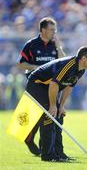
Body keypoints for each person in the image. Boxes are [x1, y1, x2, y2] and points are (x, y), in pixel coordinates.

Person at [25, 46, 87, 161]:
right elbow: (54, 84)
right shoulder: (69, 65)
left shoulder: (81, 69)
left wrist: (61, 106)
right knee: (50, 116)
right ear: (84, 58)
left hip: (49, 88)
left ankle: (59, 154)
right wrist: (53, 106)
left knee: (58, 116)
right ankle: (48, 155)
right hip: (37, 84)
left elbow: (69, 86)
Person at [16, 17, 66, 156]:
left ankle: (45, 146)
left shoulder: (54, 45)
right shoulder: (31, 44)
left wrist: (58, 47)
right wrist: (38, 68)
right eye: (51, 30)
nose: (54, 32)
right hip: (36, 85)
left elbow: (63, 63)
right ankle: (31, 139)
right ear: (43, 30)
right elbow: (20, 64)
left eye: (55, 30)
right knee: (34, 116)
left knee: (49, 115)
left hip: (52, 86)